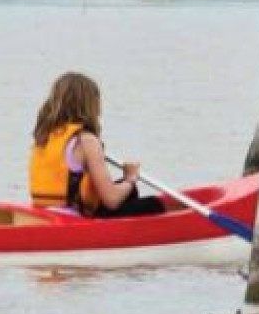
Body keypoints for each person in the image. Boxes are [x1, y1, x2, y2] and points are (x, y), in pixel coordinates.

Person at [27, 71, 164, 218]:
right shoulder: (86, 141)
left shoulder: (44, 137)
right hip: (73, 219)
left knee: (123, 190)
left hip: (44, 214)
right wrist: (130, 178)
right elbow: (111, 200)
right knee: (152, 204)